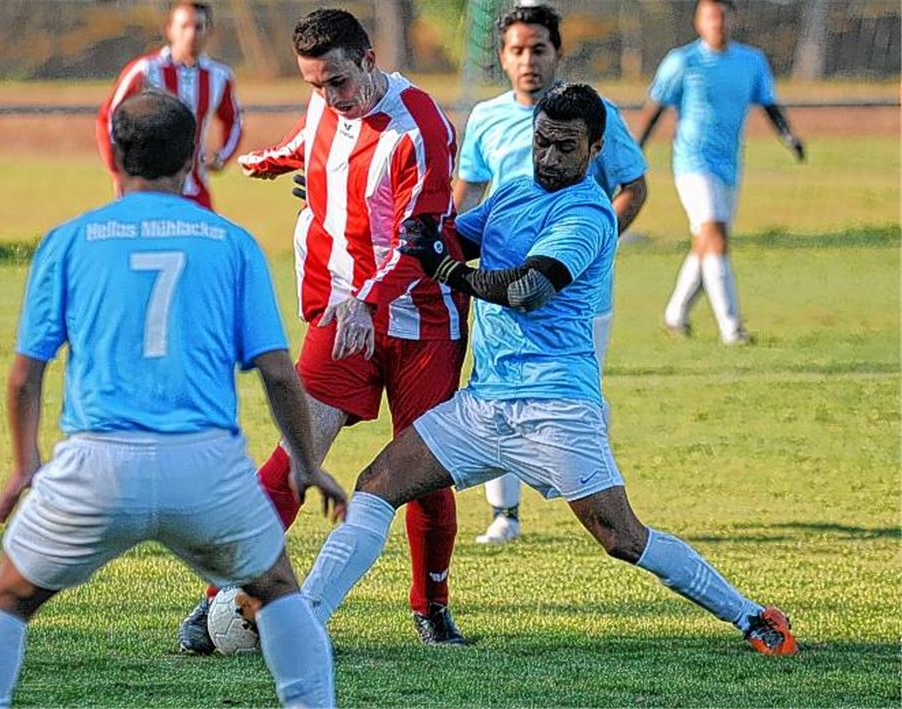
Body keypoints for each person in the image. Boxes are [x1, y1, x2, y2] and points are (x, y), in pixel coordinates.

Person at [299, 83, 798, 659]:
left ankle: (751, 616)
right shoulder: (512, 191)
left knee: (621, 536)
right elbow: (448, 234)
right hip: (485, 404)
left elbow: (526, 289)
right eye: (542, 142)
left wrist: (444, 269)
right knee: (377, 486)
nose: (550, 157)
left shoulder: (588, 213)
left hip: (555, 406)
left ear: (594, 148)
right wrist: (345, 200)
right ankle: (305, 620)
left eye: (566, 147)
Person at [0, 90, 345, 709]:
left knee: (7, 598)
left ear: (113, 152)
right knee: (276, 590)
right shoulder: (231, 242)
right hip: (206, 467)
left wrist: (24, 465)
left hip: (97, 466)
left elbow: (25, 375)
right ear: (191, 159)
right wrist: (305, 461)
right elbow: (276, 371)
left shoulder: (69, 240)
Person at [177, 7, 471, 652]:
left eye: (336, 82)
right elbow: (311, 142)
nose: (327, 97)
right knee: (294, 456)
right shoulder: (324, 105)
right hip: (343, 315)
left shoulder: (420, 128)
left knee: (423, 470)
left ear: (369, 61)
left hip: (421, 321)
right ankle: (216, 602)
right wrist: (275, 161)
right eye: (314, 85)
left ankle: (432, 606)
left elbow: (420, 241)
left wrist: (369, 301)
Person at [455, 1, 648, 545]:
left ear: (557, 52)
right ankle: (505, 515)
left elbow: (633, 185)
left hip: (578, 294)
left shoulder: (597, 112)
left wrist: (593, 244)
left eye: (538, 48)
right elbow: (465, 196)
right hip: (501, 289)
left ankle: (590, 490)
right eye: (517, 50)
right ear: (502, 56)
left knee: (572, 395)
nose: (528, 60)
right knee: (496, 392)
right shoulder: (488, 118)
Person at [639, 0, 804, 345]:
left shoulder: (751, 61)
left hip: (729, 163)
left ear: (733, 19)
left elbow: (769, 104)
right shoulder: (682, 61)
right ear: (699, 22)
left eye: (723, 16)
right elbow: (656, 106)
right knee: (715, 235)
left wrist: (789, 137)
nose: (717, 23)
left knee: (706, 241)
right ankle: (732, 328)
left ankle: (675, 314)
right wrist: (635, 150)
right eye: (710, 16)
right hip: (692, 161)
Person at [95, 1, 243, 210]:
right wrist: (118, 166)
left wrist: (222, 156)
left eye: (198, 27)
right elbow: (109, 116)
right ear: (170, 30)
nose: (191, 34)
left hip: (195, 187)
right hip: (144, 186)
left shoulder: (219, 77)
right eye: (184, 26)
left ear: (210, 31)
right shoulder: (146, 70)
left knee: (201, 239)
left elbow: (234, 121)